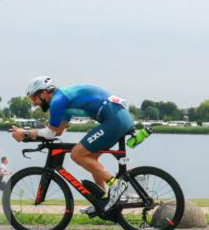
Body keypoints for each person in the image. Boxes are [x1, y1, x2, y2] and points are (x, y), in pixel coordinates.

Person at [12, 76, 134, 211]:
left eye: (33, 98)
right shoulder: (63, 101)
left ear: (43, 93)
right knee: (91, 157)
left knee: (77, 154)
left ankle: (116, 185)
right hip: (118, 116)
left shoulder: (57, 101)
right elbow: (57, 132)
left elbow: (50, 133)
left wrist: (25, 133)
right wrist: (29, 136)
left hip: (114, 119)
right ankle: (102, 201)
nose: (34, 103)